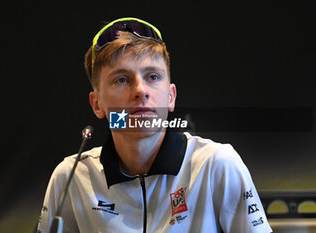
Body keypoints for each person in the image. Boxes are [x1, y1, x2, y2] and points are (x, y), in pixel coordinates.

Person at [37, 17, 272, 233]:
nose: (140, 90)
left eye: (152, 77)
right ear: (97, 104)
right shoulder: (70, 177)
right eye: (122, 79)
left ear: (170, 97)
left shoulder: (217, 164)